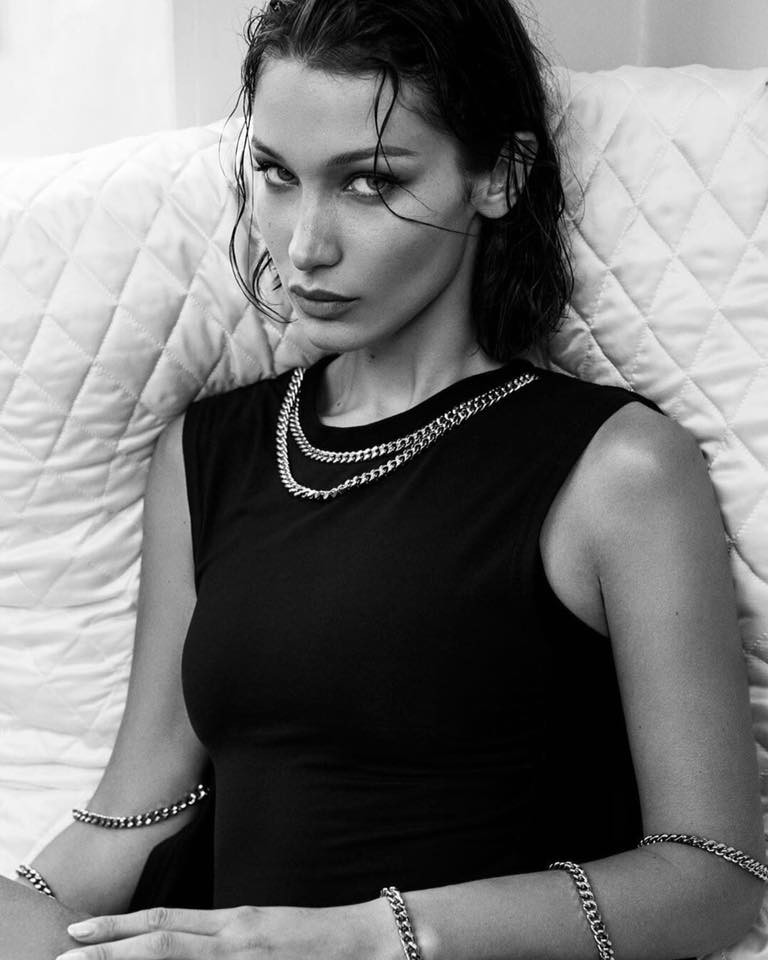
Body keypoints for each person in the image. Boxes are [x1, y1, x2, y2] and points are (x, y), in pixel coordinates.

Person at [1, 0, 765, 957]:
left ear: (500, 175)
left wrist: (357, 938)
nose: (304, 245)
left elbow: (711, 877)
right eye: (277, 175)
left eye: (369, 183)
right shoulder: (207, 451)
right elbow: (132, 819)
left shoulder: (617, 470)